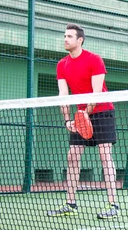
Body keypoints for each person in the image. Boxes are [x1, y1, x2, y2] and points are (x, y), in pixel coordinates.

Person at [47, 23, 119, 219]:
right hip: (80, 115)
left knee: (105, 156)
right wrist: (68, 120)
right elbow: (63, 94)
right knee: (72, 156)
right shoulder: (61, 65)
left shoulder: (94, 59)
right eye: (64, 36)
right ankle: (70, 203)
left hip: (102, 111)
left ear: (80, 40)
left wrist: (86, 112)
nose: (65, 39)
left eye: (69, 36)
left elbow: (96, 93)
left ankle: (113, 204)